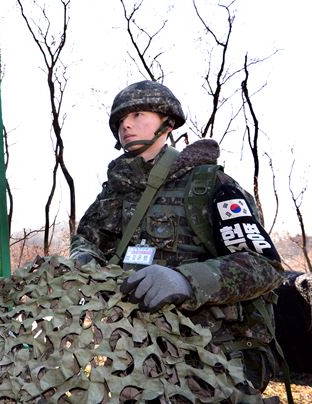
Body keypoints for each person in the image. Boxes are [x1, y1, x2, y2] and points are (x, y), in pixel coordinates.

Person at [70, 80, 284, 395]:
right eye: (119, 121)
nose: (126, 125)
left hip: (208, 355)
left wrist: (186, 281)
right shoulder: (115, 193)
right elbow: (85, 241)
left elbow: (264, 266)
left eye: (138, 114)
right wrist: (83, 262)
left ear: (167, 123)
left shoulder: (208, 185)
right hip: (132, 353)